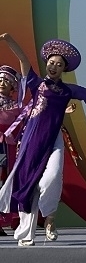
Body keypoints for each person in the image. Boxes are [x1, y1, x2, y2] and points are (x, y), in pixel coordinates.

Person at [0, 34, 86, 247]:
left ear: (64, 69)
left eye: (59, 64)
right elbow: (23, 60)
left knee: (52, 176)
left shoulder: (68, 90)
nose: (54, 67)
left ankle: (50, 218)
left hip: (54, 138)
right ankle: (27, 233)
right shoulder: (36, 83)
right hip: (32, 138)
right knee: (28, 183)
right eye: (51, 63)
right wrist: (10, 40)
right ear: (46, 64)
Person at [0, 65, 27, 235]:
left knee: (7, 181)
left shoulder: (17, 107)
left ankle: (8, 217)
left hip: (8, 148)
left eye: (6, 81)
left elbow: (23, 127)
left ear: (13, 87)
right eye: (0, 80)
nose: (2, 83)